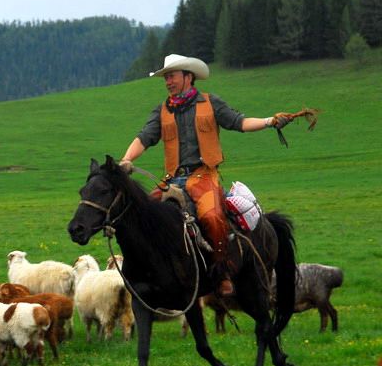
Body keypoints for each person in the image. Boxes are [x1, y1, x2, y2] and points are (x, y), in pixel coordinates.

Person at [119, 54, 292, 297]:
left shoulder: (211, 103)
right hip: (172, 179)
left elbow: (239, 122)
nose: (168, 81)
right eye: (166, 77)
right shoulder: (161, 111)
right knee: (143, 215)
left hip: (204, 176)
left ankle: (221, 273)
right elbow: (144, 137)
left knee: (211, 217)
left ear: (188, 77)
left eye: (172, 76)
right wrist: (127, 160)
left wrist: (269, 121)